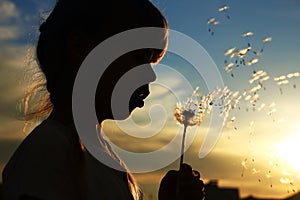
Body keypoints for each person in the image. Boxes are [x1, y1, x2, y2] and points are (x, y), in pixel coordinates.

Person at [2, 0, 205, 199]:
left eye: (152, 62)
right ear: (80, 47)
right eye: (138, 57)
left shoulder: (98, 155)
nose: (151, 76)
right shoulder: (46, 154)